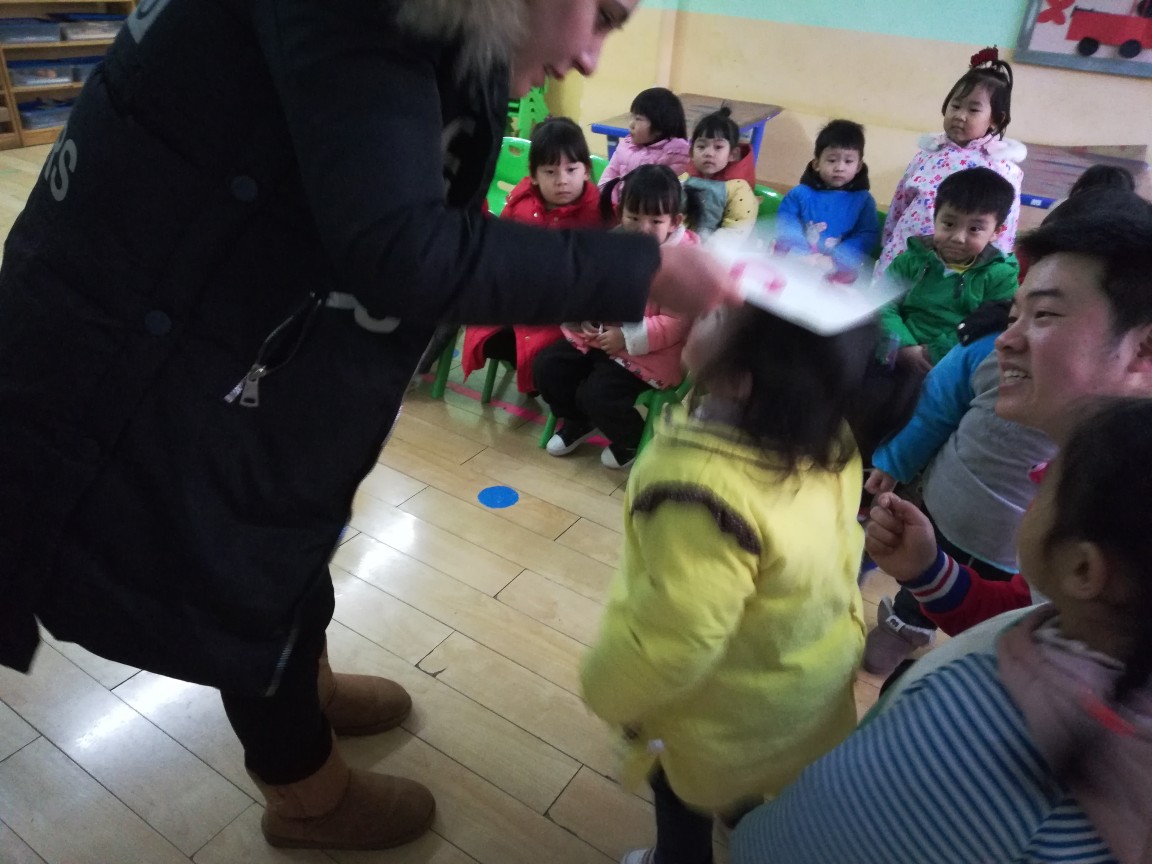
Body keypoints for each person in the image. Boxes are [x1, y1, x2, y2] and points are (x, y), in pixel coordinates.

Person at [0, 0, 740, 853]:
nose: (588, 57)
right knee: (246, 555)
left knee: (286, 525)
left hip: (231, 309)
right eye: (601, 14)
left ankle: (306, 684)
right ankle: (304, 792)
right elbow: (400, 247)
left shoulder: (438, 23)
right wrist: (640, 270)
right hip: (142, 327)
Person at [731, 397, 1152, 864]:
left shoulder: (989, 724)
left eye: (1046, 485)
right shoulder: (1081, 628)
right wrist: (928, 571)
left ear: (1082, 568)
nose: (1033, 492)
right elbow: (1008, 611)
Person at [580, 303, 920, 864]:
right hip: (803, 680)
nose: (704, 303)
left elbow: (674, 637)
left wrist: (608, 687)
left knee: (679, 782)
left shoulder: (699, 493)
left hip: (721, 706)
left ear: (740, 378)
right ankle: (742, 815)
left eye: (717, 312)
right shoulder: (828, 435)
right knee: (748, 775)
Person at [866, 189, 1152, 637]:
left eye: (1045, 314)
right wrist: (927, 571)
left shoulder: (1124, 511)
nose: (1005, 340)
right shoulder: (1072, 473)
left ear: (1144, 348)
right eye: (1015, 315)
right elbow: (1026, 614)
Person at [861, 304, 1057, 676]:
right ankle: (906, 626)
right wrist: (894, 461)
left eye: (1048, 315)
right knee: (921, 578)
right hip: (943, 511)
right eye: (1015, 315)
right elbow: (935, 407)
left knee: (993, 620)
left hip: (1018, 551)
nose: (1012, 337)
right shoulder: (990, 349)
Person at [535, 164, 698, 469]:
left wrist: (626, 336)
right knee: (548, 366)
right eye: (633, 218)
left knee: (598, 393)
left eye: (655, 221)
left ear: (674, 222)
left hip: (651, 353)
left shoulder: (682, 264)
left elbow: (677, 324)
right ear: (621, 213)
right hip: (601, 340)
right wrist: (588, 317)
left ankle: (630, 440)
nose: (642, 228)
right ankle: (579, 420)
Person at [461, 117, 603, 395]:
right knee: (485, 333)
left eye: (571, 169)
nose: (562, 180)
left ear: (586, 171)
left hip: (564, 317)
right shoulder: (522, 200)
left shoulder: (597, 215)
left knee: (544, 354)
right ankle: (532, 376)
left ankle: (542, 380)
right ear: (534, 174)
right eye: (550, 171)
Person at [877, 47, 1024, 272]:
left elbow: (1005, 228)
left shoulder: (1003, 169)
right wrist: (887, 244)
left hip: (955, 272)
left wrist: (992, 274)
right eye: (955, 106)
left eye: (973, 110)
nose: (960, 115)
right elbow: (900, 202)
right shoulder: (928, 154)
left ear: (996, 119)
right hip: (903, 256)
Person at [880, 167, 1019, 375]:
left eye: (974, 229)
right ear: (935, 218)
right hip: (899, 352)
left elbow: (989, 326)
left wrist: (933, 353)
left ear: (995, 232)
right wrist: (904, 347)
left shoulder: (1001, 276)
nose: (958, 238)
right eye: (949, 224)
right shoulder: (911, 260)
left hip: (954, 363)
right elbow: (883, 305)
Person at [774, 119, 879, 283]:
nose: (840, 168)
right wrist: (800, 252)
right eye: (832, 160)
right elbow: (787, 222)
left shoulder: (864, 201)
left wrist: (836, 259)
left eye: (848, 161)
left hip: (837, 270)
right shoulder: (799, 194)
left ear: (858, 166)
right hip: (796, 261)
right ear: (816, 164)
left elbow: (867, 234)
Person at [680, 107, 758, 242]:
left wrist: (705, 250)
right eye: (701, 146)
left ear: (733, 154)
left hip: (714, 250)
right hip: (681, 243)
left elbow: (736, 230)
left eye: (718, 147)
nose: (709, 153)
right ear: (691, 152)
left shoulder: (738, 188)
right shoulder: (683, 180)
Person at [597, 86, 691, 189]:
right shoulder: (626, 146)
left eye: (638, 119)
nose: (631, 124)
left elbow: (661, 189)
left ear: (659, 128)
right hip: (620, 198)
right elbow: (611, 172)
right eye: (632, 117)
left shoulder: (671, 154)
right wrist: (603, 193)